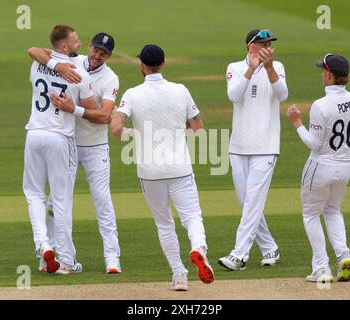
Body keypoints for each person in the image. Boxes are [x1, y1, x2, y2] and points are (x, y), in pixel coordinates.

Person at [61, 43, 214, 291]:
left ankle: (179, 276)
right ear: (163, 64)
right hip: (180, 168)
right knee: (192, 217)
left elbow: (115, 128)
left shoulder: (132, 94)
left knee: (164, 224)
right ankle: (198, 248)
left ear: (142, 66)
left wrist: (135, 132)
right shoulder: (181, 90)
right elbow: (198, 129)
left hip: (150, 172)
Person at [28, 32, 122, 274]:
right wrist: (56, 65)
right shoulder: (72, 61)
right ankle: (49, 257)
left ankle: (112, 259)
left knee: (102, 201)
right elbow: (34, 51)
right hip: (66, 144)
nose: (97, 56)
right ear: (89, 47)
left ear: (109, 56)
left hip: (94, 147)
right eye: (95, 50)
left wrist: (74, 109)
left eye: (104, 53)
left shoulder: (111, 78)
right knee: (55, 201)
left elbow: (104, 116)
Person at [286, 53, 350, 283]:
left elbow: (313, 143)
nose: (322, 74)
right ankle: (344, 258)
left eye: (324, 71)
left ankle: (321, 268)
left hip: (321, 165)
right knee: (333, 210)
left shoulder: (320, 105)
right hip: (344, 167)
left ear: (331, 76)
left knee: (311, 214)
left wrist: (296, 122)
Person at [23, 25, 98, 275]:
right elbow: (93, 113)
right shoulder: (80, 74)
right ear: (64, 46)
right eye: (76, 42)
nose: (80, 45)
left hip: (34, 134)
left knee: (34, 194)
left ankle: (43, 246)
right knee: (61, 199)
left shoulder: (36, 65)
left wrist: (56, 64)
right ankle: (66, 261)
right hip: (60, 138)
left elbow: (35, 50)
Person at [218, 29, 288, 271]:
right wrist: (251, 69)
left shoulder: (277, 67)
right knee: (247, 202)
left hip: (266, 146)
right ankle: (270, 248)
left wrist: (267, 69)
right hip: (239, 146)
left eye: (269, 43)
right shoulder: (235, 67)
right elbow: (233, 95)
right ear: (251, 46)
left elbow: (283, 94)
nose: (268, 47)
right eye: (263, 43)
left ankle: (239, 256)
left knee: (253, 201)